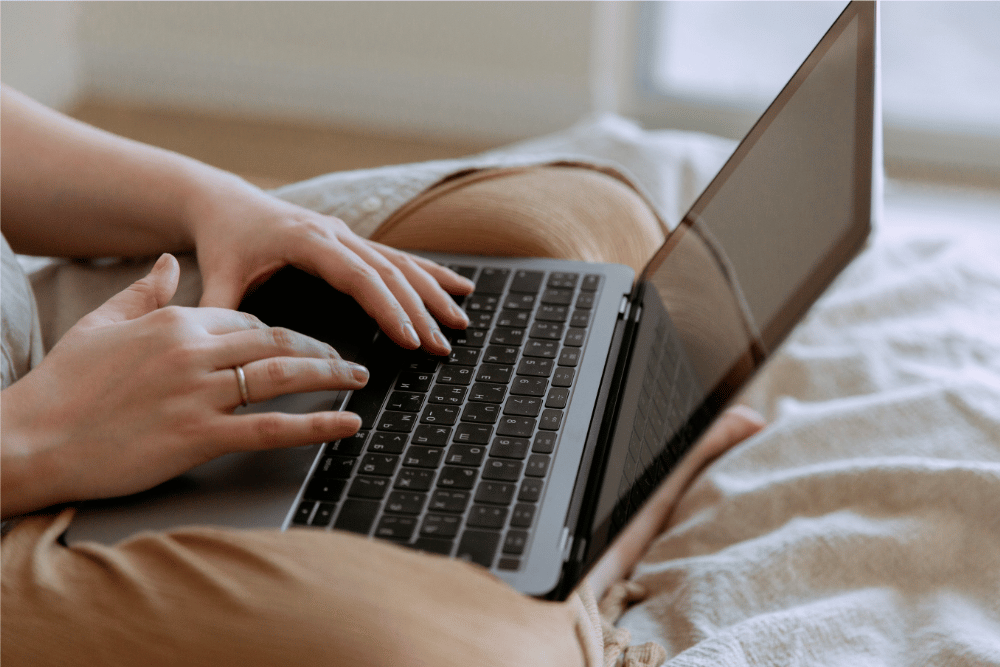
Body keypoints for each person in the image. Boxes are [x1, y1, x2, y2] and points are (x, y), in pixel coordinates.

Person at [0, 84, 764, 667]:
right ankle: (594, 552)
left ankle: (552, 536)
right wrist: (38, 437)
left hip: (33, 339)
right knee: (447, 652)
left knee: (580, 225)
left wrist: (218, 203)